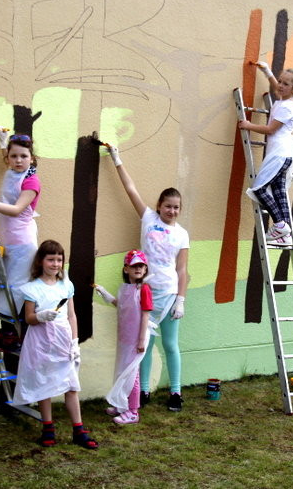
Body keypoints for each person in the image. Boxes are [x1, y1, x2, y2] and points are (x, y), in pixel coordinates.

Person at [105, 144, 190, 412]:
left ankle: (176, 392)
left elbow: (182, 270)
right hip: (144, 293)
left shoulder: (182, 234)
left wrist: (181, 299)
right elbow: (130, 189)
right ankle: (142, 391)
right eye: (168, 206)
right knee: (144, 344)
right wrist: (116, 159)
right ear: (159, 206)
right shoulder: (148, 218)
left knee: (170, 343)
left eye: (176, 207)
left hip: (168, 294)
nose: (172, 211)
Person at [11, 239, 98, 450]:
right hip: (40, 341)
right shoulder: (31, 288)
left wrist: (75, 341)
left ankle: (79, 430)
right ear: (41, 261)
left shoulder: (66, 286)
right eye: (51, 260)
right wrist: (41, 316)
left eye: (59, 260)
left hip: (63, 341)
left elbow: (72, 315)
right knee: (44, 385)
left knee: (71, 385)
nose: (56, 264)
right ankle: (48, 428)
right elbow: (29, 318)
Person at [238, 62, 293, 246]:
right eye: (280, 81)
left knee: (259, 189)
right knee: (279, 191)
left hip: (279, 154)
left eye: (285, 84)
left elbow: (271, 129)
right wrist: (266, 71)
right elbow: (276, 88)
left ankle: (281, 225)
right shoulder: (288, 101)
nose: (280, 85)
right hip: (284, 153)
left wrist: (248, 126)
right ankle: (285, 234)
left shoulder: (287, 107)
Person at [0, 130, 41, 351]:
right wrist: (3, 142)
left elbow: (16, 209)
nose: (18, 160)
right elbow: (8, 157)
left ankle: (14, 334)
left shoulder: (31, 181)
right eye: (13, 156)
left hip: (22, 243)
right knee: (0, 282)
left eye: (23, 156)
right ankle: (5, 332)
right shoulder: (12, 172)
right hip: (5, 240)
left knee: (15, 287)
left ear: (31, 158)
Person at [95, 250, 154, 425]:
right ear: (126, 268)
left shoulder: (143, 289)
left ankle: (133, 411)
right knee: (122, 372)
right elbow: (122, 306)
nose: (138, 268)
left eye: (141, 265)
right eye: (134, 265)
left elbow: (145, 315)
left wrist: (141, 340)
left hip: (137, 339)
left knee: (132, 375)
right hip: (125, 338)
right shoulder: (125, 288)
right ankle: (122, 405)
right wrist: (106, 295)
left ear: (145, 269)